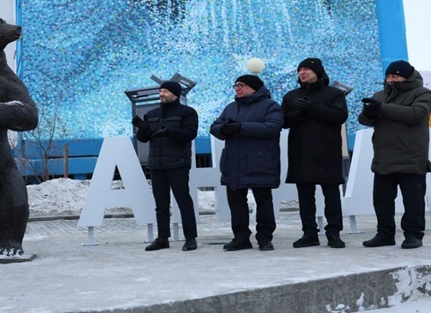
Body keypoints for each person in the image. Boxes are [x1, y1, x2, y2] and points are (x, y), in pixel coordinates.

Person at [358, 60, 431, 249]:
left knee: (413, 200)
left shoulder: (422, 93)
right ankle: (385, 234)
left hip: (411, 156)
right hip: (384, 157)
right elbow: (364, 121)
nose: (391, 80)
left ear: (406, 77)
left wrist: (382, 108)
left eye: (395, 76)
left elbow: (417, 115)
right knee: (381, 199)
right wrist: (369, 111)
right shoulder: (380, 95)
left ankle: (414, 235)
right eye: (388, 76)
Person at [210, 75, 283, 251]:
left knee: (263, 201)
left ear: (254, 87)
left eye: (241, 85)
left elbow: (272, 127)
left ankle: (265, 238)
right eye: (235, 85)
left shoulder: (270, 106)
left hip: (261, 162)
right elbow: (214, 127)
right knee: (236, 203)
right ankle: (241, 237)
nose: (237, 88)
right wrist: (223, 129)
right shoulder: (231, 107)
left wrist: (241, 127)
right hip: (234, 163)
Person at [281, 58, 348, 249]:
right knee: (305, 197)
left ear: (318, 72)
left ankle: (334, 233)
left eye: (307, 69)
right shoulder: (291, 96)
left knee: (331, 194)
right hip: (300, 152)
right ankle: (309, 233)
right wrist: (299, 113)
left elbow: (339, 117)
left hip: (327, 151)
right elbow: (283, 121)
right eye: (300, 69)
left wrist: (312, 109)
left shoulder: (334, 94)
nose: (303, 72)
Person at [132, 81, 199, 251]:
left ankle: (190, 238)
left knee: (183, 201)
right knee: (161, 204)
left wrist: (170, 131)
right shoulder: (152, 113)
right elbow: (143, 139)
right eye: (160, 91)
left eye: (165, 91)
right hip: (156, 164)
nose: (161, 94)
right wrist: (144, 129)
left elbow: (190, 134)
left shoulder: (187, 112)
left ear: (175, 94)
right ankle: (163, 238)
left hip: (178, 163)